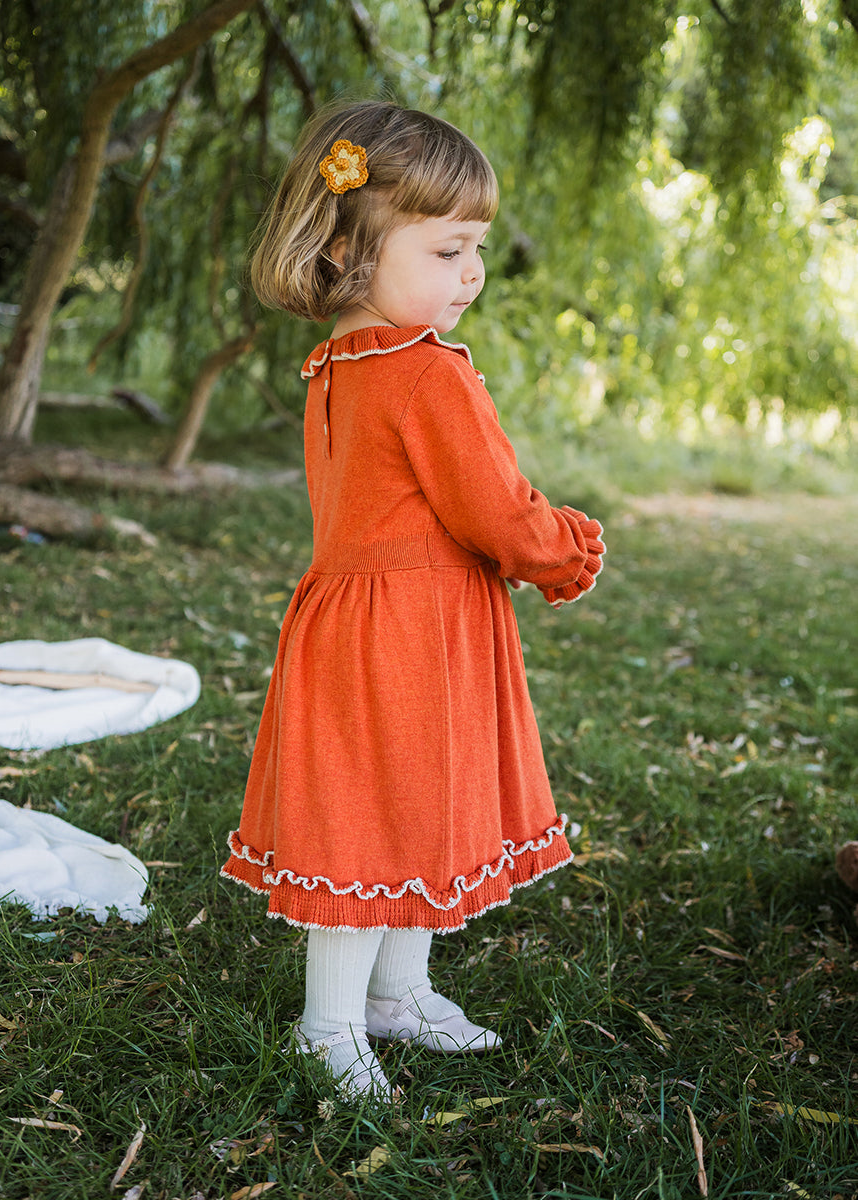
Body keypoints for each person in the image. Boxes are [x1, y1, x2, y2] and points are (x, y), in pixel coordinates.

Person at [221, 100, 606, 1101]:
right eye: (447, 250)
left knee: (402, 809)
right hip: (411, 632)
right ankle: (329, 1027)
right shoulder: (427, 373)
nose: (471, 273)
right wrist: (564, 550)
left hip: (353, 622)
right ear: (347, 250)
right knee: (377, 821)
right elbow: (497, 511)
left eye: (476, 248)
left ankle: (397, 994)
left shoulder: (337, 364)